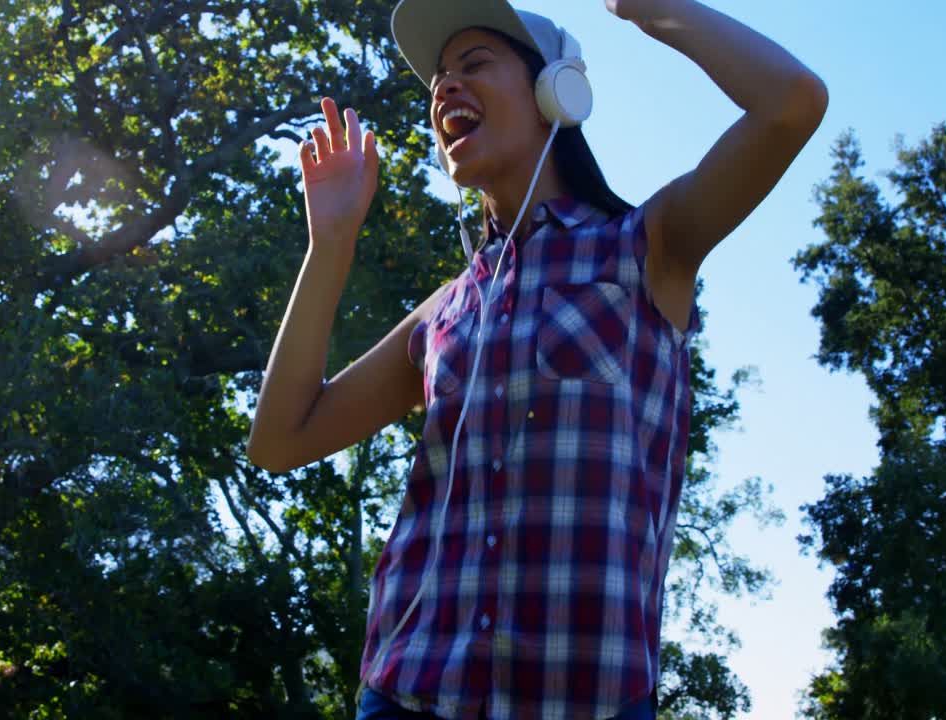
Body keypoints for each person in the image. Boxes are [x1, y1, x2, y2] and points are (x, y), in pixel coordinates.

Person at [246, 0, 828, 717]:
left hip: (585, 700)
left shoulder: (647, 249)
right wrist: (330, 241)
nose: (446, 88)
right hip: (407, 694)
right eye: (438, 81)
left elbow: (792, 105)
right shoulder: (448, 307)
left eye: (475, 64)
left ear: (557, 91)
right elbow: (279, 441)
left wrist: (654, 10)